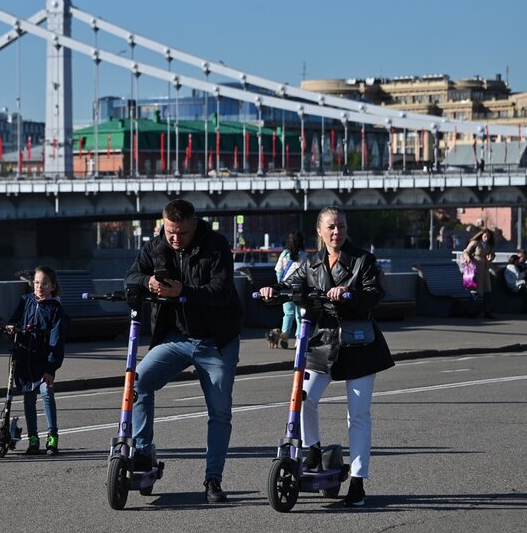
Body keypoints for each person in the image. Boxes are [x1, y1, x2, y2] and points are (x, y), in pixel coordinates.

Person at [259, 206, 395, 507]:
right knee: (303, 398)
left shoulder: (362, 260)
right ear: (320, 232)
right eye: (331, 227)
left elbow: (374, 294)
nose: (337, 232)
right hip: (322, 343)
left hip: (358, 344)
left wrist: (350, 293)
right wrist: (273, 291)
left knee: (358, 416)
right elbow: (291, 284)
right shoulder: (311, 263)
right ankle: (313, 450)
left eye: (342, 227)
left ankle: (358, 481)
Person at [124, 198, 243, 503]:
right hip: (176, 338)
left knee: (220, 412)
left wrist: (183, 292)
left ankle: (213, 479)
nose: (175, 239)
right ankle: (142, 454)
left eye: (181, 233)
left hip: (216, 341)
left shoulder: (216, 245)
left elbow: (221, 292)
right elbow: (131, 278)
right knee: (138, 382)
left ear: (194, 224)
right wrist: (148, 281)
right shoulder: (155, 246)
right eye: (169, 232)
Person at [6, 266, 68, 456]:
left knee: (46, 393)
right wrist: (11, 327)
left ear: (52, 287)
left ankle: (52, 436)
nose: (40, 287)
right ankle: (33, 439)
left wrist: (51, 367)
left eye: (45, 284)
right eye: (37, 283)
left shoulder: (56, 309)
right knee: (28, 399)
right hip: (24, 359)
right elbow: (14, 320)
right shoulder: (26, 301)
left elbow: (56, 342)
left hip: (43, 360)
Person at [274, 231, 307, 348]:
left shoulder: (284, 254)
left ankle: (285, 335)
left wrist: (280, 285)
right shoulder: (304, 255)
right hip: (299, 289)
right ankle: (299, 339)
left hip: (285, 289)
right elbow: (306, 274)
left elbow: (279, 271)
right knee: (299, 315)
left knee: (288, 314)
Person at [463, 228, 496, 318]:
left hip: (485, 269)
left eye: (488, 237)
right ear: (481, 235)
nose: (487, 238)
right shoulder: (475, 243)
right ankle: (472, 311)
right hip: (475, 268)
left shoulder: (488, 246)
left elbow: (492, 254)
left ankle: (487, 311)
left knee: (487, 290)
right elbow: (466, 252)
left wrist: (491, 258)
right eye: (485, 236)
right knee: (475, 290)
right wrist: (468, 258)